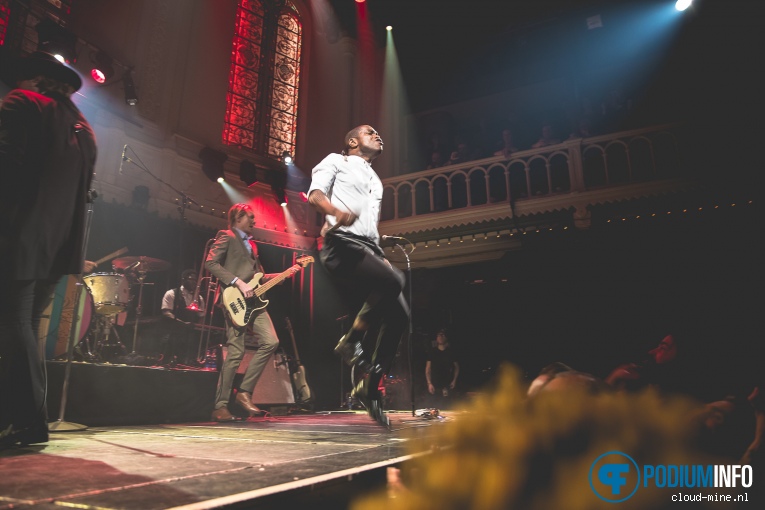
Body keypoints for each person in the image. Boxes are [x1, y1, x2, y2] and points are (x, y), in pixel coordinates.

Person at [0, 51, 97, 449]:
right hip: (59, 245)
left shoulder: (21, 103)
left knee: (14, 325)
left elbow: (5, 164)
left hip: (18, 234)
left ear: (32, 79)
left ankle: (29, 421)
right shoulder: (83, 127)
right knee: (22, 328)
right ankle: (18, 419)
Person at [308, 125, 410, 428]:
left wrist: (377, 245)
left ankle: (370, 386)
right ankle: (351, 340)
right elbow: (315, 195)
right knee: (395, 281)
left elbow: (367, 220)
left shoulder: (376, 180)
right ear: (352, 141)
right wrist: (335, 213)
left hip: (367, 247)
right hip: (340, 243)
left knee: (400, 316)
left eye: (379, 133)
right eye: (370, 132)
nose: (379, 135)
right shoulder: (335, 161)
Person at [205, 203, 291, 422]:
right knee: (235, 352)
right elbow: (211, 263)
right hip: (233, 300)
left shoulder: (252, 246)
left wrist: (283, 275)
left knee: (271, 342)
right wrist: (237, 283)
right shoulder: (226, 236)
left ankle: (244, 393)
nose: (254, 222)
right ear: (238, 217)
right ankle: (220, 406)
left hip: (254, 302)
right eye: (250, 218)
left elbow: (258, 277)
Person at [160, 269, 205, 366]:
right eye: (191, 279)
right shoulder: (171, 294)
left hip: (190, 335)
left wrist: (198, 328)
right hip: (173, 332)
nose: (194, 282)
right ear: (183, 280)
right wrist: (182, 324)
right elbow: (166, 312)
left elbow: (201, 316)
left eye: (195, 280)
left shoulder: (199, 298)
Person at [425, 329, 460, 409]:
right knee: (434, 407)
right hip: (434, 383)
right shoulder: (432, 352)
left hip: (447, 383)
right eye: (438, 335)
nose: (440, 337)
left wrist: (454, 380)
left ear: (446, 338)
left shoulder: (451, 352)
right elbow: (428, 369)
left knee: (447, 406)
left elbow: (457, 367)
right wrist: (429, 383)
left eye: (442, 335)